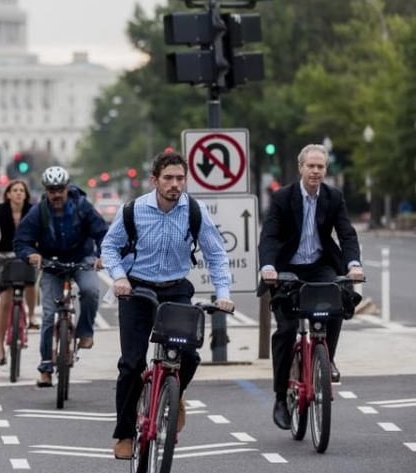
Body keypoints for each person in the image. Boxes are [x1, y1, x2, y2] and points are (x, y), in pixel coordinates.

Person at [100, 150, 234, 460]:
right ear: (154, 181)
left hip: (175, 290)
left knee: (189, 357)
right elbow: (109, 247)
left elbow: (215, 254)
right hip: (137, 291)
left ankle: (173, 395)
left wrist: (223, 292)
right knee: (132, 365)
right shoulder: (133, 210)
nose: (175, 184)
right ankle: (124, 432)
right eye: (168, 178)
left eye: (180, 179)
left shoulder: (194, 212)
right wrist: (119, 277)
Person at [257, 143, 364, 431]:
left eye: (321, 167)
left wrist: (353, 263)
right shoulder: (282, 197)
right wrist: (268, 267)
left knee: (337, 301)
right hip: (286, 268)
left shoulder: (333, 197)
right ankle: (281, 396)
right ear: (300, 167)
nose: (316, 171)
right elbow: (268, 236)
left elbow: (346, 234)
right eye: (311, 166)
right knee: (287, 330)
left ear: (325, 170)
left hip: (319, 265)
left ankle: (327, 359)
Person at [14, 165, 108, 388]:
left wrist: (101, 256)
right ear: (46, 190)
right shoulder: (38, 212)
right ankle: (45, 367)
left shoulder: (82, 207)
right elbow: (21, 241)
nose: (56, 194)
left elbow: (103, 233)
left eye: (60, 189)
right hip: (51, 263)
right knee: (48, 316)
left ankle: (85, 332)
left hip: (81, 259)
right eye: (52, 190)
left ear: (67, 188)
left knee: (91, 290)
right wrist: (32, 255)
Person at [0, 179, 36, 366]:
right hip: (5, 256)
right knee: (5, 301)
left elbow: (42, 232)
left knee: (31, 283)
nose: (19, 193)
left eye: (22, 190)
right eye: (15, 190)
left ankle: (32, 316)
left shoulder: (33, 210)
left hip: (27, 255)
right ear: (8, 194)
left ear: (26, 195)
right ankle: (0, 346)